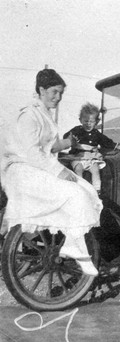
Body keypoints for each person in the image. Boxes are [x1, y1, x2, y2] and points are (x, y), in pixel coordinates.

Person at [0, 69, 102, 276]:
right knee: (75, 193)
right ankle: (73, 246)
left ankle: (73, 243)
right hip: (23, 170)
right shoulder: (29, 114)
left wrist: (67, 145)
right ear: (41, 90)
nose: (58, 97)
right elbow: (31, 152)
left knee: (87, 189)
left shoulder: (43, 113)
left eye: (61, 93)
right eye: (54, 92)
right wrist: (58, 171)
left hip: (36, 167)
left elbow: (48, 147)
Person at [63, 102, 120, 193]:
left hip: (91, 158)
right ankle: (80, 189)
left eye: (91, 121)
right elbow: (66, 136)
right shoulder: (77, 130)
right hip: (78, 157)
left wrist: (116, 145)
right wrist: (70, 138)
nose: (88, 124)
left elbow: (106, 141)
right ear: (80, 120)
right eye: (85, 121)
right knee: (78, 169)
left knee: (95, 170)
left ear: (97, 122)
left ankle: (97, 189)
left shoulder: (96, 134)